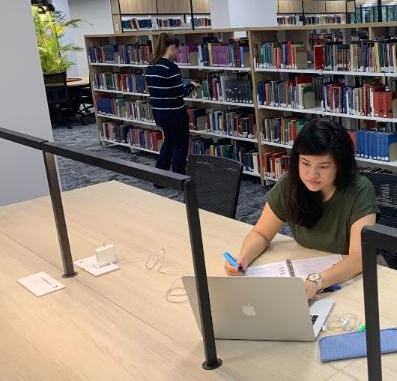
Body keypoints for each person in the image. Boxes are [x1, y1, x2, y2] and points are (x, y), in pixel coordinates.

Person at [225, 119, 379, 299]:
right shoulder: (289, 185)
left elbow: (358, 258)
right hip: (307, 269)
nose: (312, 174)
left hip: (352, 279)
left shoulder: (360, 190)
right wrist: (243, 259)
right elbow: (261, 233)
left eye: (323, 166)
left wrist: (317, 281)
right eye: (305, 163)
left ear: (340, 165)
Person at [145, 33, 200, 175]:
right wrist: (191, 85)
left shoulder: (150, 67)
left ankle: (161, 177)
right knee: (180, 147)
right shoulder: (171, 67)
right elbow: (179, 92)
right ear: (172, 47)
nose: (177, 54)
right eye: (178, 50)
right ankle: (178, 177)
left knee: (168, 142)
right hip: (175, 114)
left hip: (160, 114)